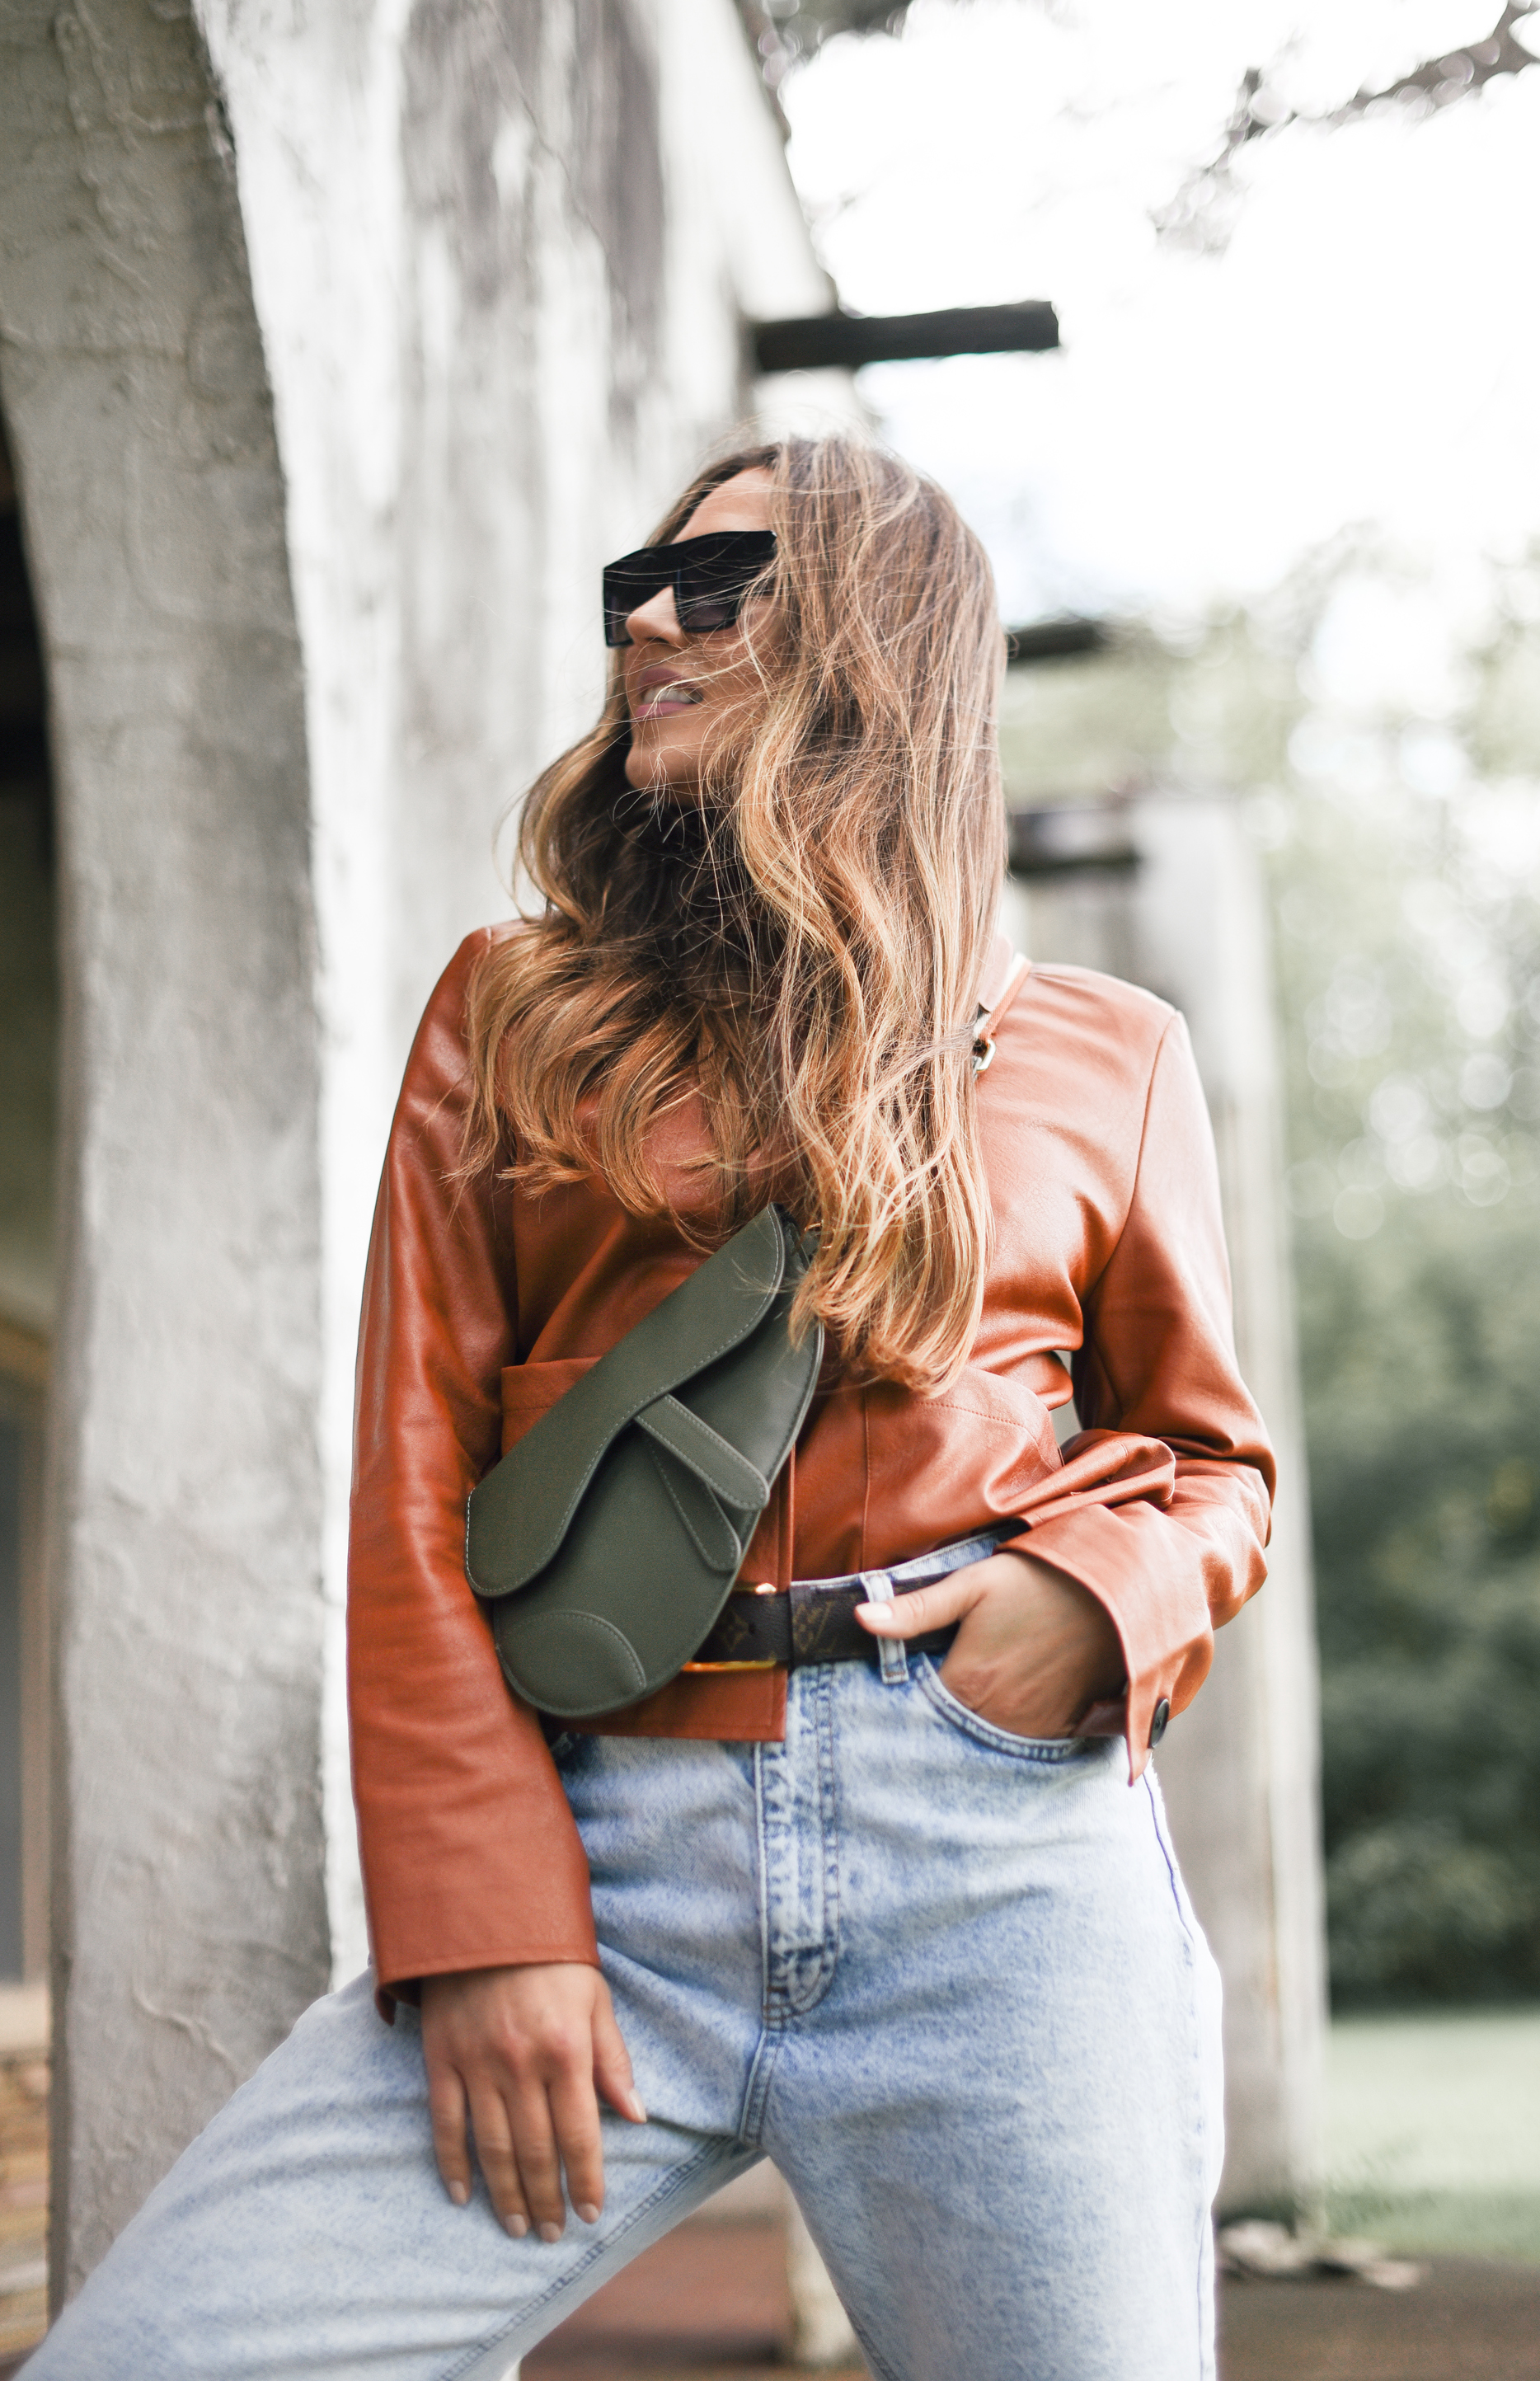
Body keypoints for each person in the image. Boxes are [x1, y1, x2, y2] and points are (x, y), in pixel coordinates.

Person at [25, 436, 1272, 2381]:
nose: (641, 617)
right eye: (636, 577)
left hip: (1000, 1879)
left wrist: (1084, 1604)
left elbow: (1212, 1465)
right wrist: (484, 1919)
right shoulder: (512, 1012)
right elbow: (415, 1480)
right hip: (600, 1870)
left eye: (718, 581)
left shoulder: (1104, 1054)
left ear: (876, 645)